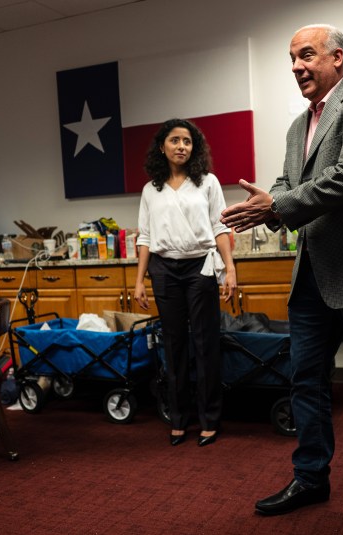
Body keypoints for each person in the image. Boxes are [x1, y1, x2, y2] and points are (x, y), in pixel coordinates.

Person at [220, 24, 343, 515]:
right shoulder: (295, 126)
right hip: (312, 269)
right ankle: (310, 477)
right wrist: (268, 203)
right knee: (305, 377)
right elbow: (288, 181)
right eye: (291, 59)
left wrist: (275, 207)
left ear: (338, 59)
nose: (296, 67)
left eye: (306, 55)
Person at [133, 118, 237, 448]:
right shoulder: (152, 189)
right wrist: (139, 282)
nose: (181, 146)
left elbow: (220, 229)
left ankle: (210, 419)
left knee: (206, 344)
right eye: (175, 140)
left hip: (200, 268)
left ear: (195, 148)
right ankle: (178, 419)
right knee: (173, 346)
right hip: (164, 271)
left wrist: (230, 270)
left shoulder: (207, 183)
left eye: (188, 141)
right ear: (162, 146)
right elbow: (145, 237)